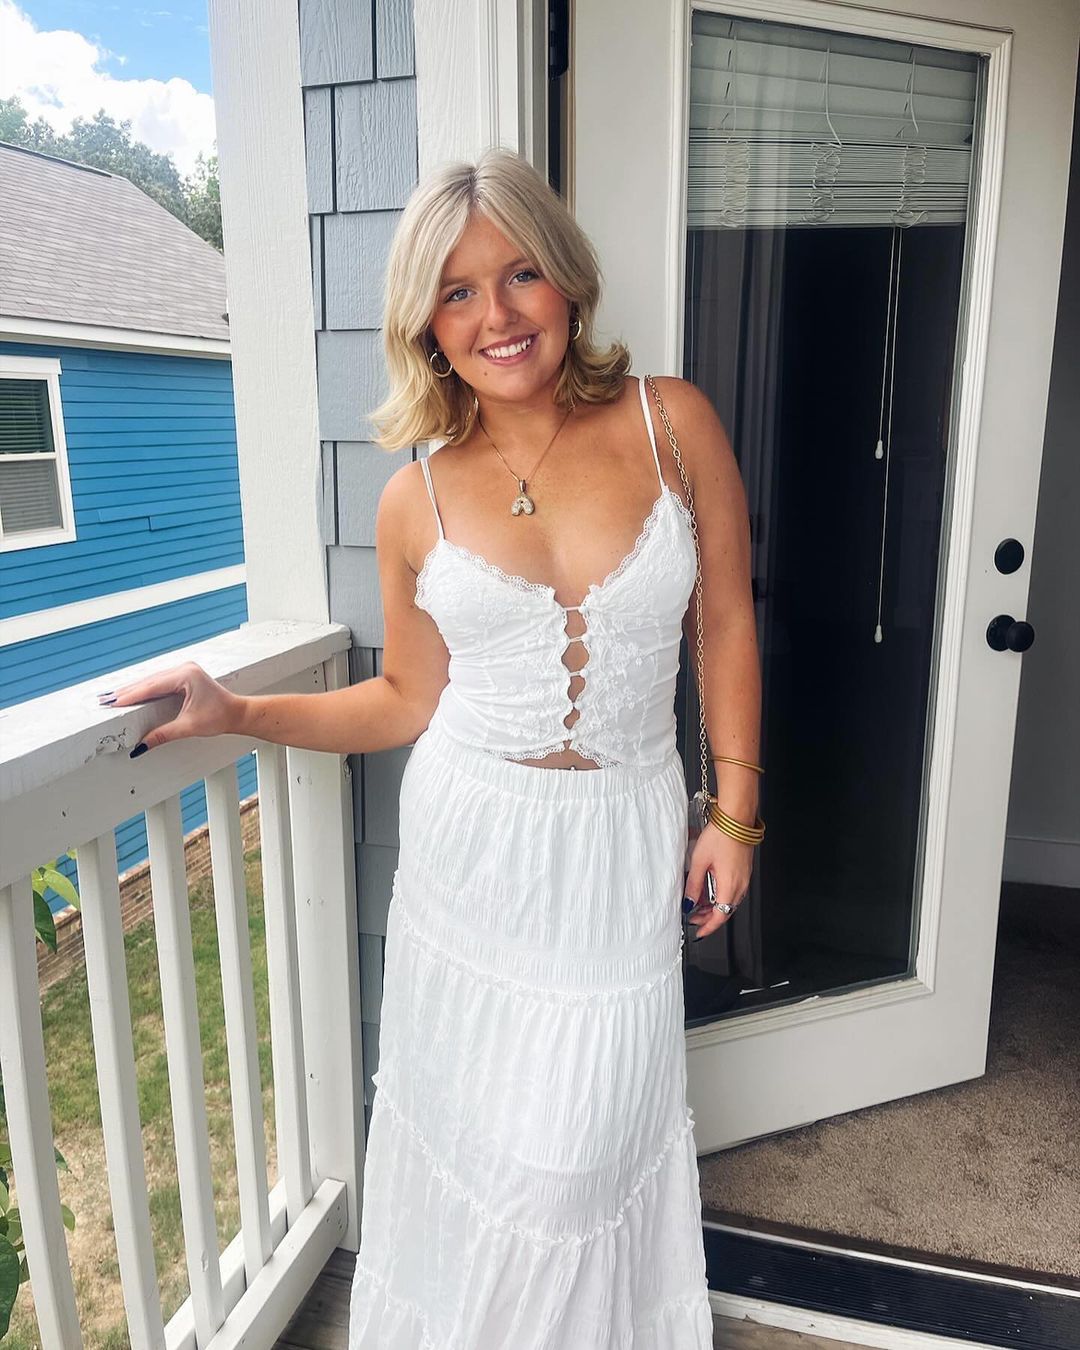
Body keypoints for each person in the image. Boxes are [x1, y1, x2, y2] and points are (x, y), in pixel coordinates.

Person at [98, 147, 762, 1347]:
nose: (496, 314)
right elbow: (405, 701)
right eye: (457, 292)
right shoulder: (417, 496)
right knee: (488, 1153)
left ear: (567, 280)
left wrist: (735, 812)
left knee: (585, 1159)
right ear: (427, 326)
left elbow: (723, 621)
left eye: (519, 275)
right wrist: (238, 712)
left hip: (619, 841)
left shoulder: (672, 422)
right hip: (473, 857)